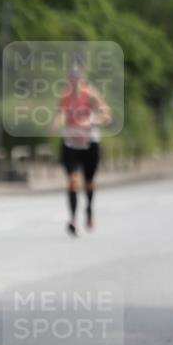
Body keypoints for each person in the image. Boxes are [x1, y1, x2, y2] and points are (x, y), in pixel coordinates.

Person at [52, 60, 112, 236]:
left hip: (89, 142)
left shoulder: (91, 94)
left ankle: (89, 209)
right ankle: (72, 219)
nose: (74, 81)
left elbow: (106, 114)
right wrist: (56, 123)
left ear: (82, 78)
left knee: (89, 182)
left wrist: (93, 121)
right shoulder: (65, 95)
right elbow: (60, 113)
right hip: (70, 142)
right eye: (71, 78)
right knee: (72, 181)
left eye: (77, 77)